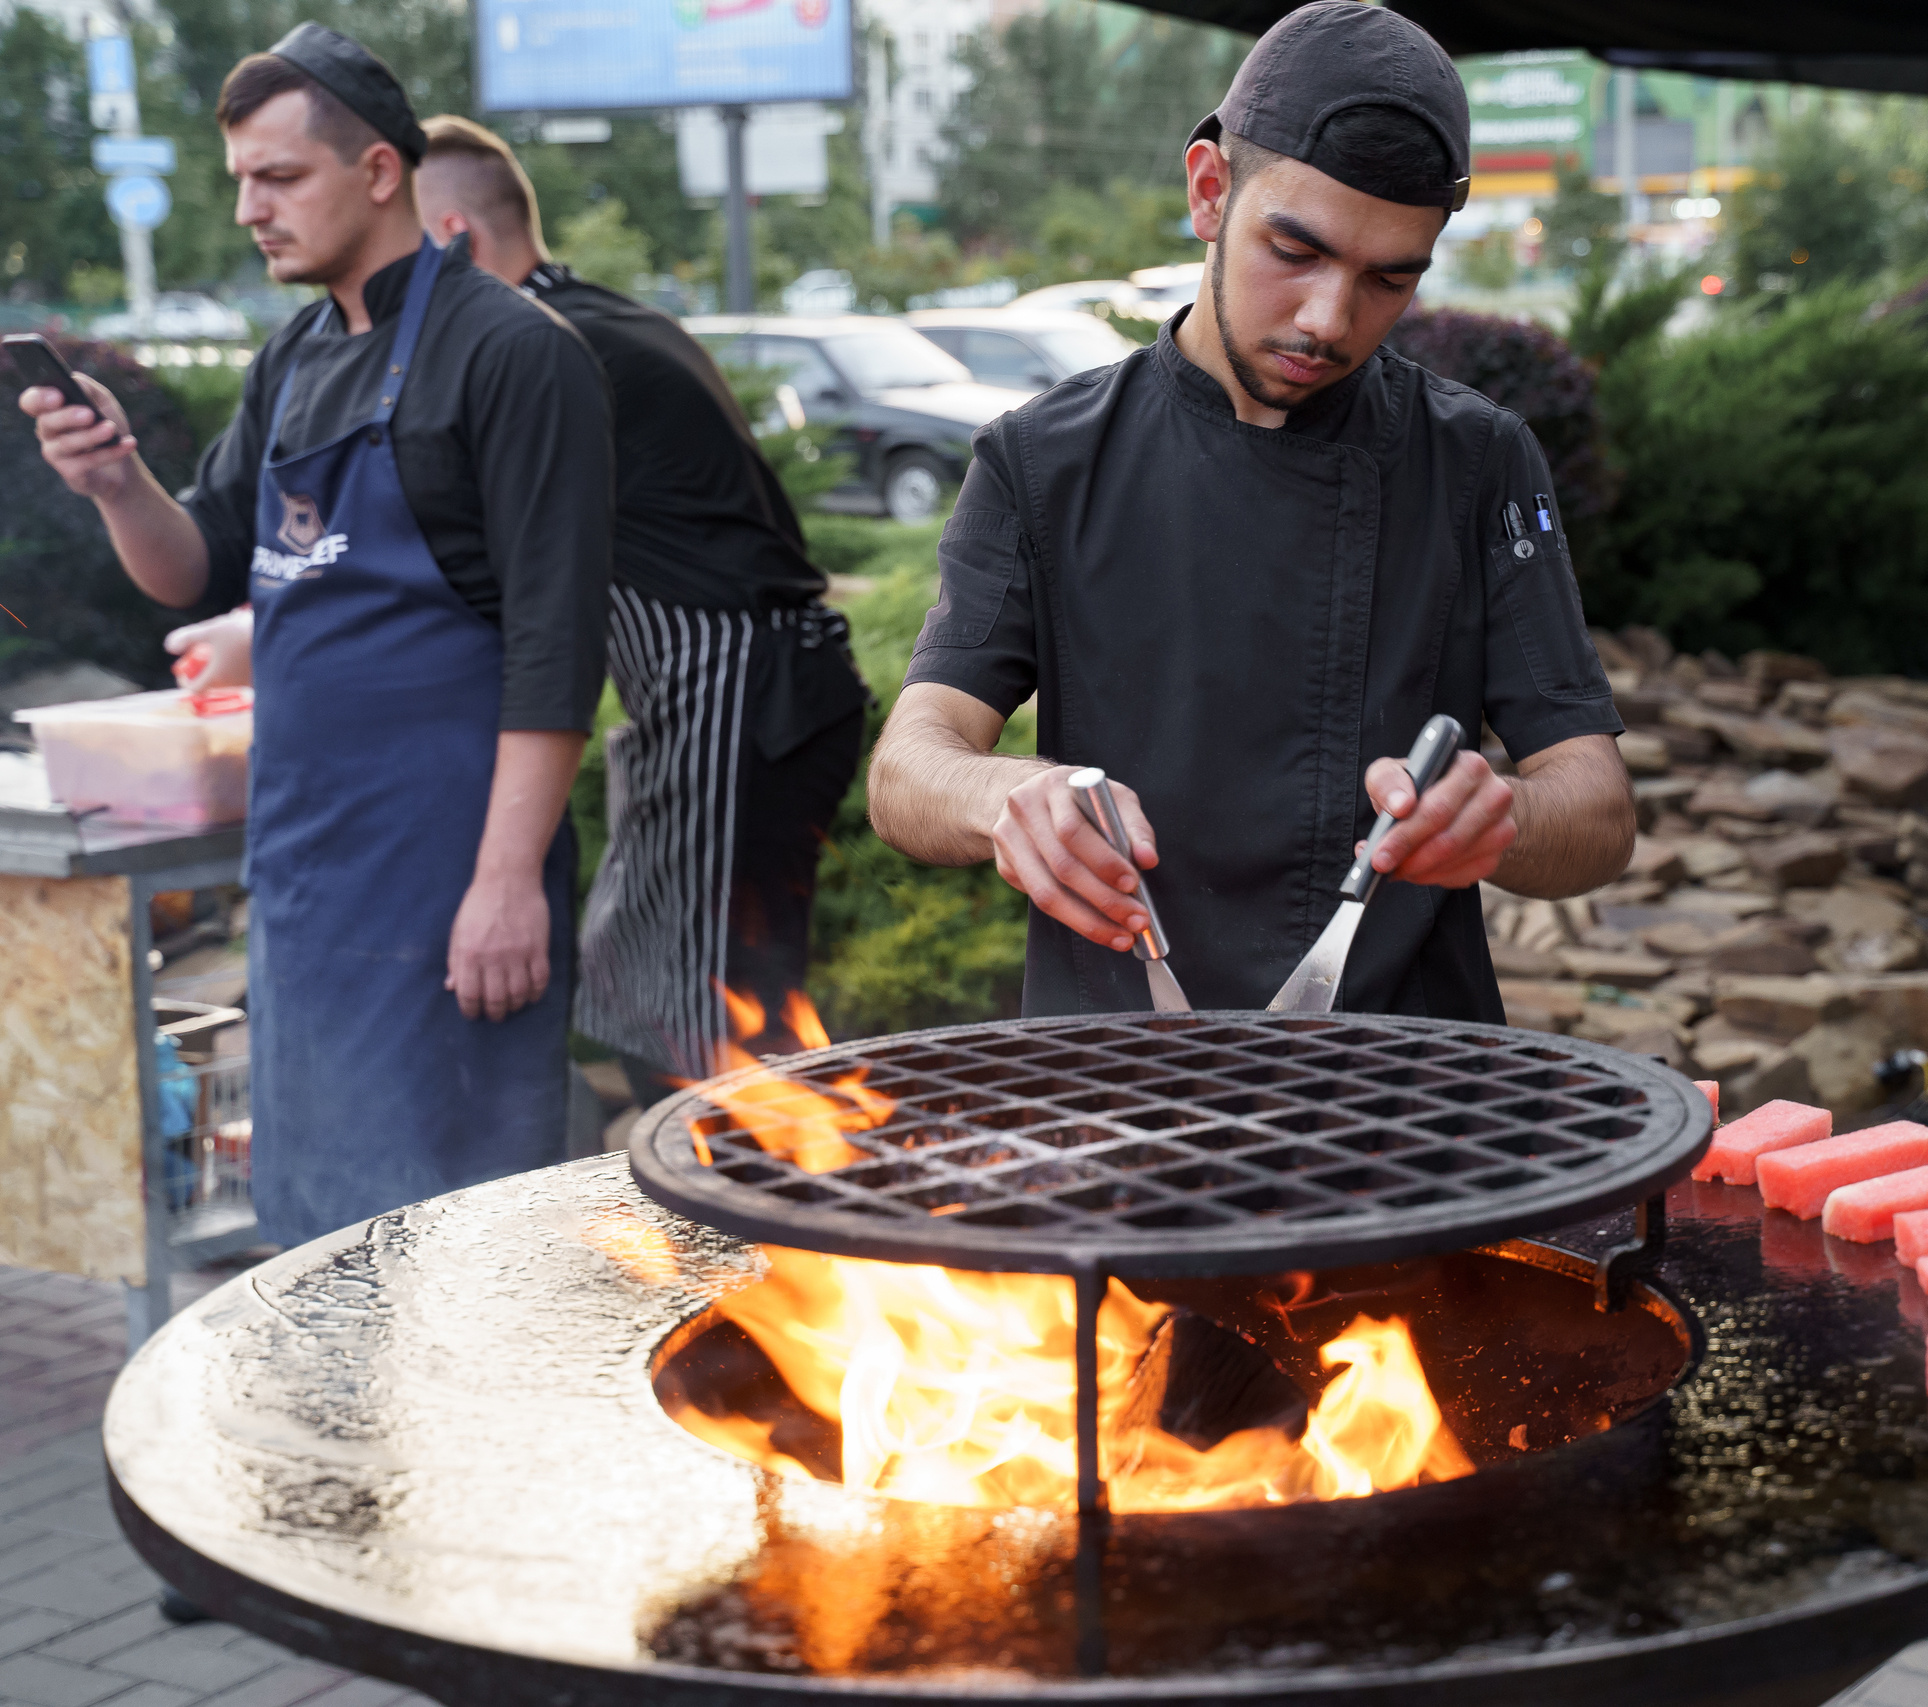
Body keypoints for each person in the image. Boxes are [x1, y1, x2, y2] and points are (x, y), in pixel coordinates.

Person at [865, 1, 1633, 1019]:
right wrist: (1007, 795)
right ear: (1209, 189)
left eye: (1387, 279)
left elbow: (1598, 810)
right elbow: (907, 769)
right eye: (1296, 250)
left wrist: (1504, 820)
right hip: (1122, 1080)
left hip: (1415, 1100)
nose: (1329, 319)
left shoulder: (1476, 458)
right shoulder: (1043, 460)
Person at [19, 25, 614, 1246]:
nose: (249, 209)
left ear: (381, 171)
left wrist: (505, 884)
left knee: (456, 1237)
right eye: (241, 179)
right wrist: (118, 483)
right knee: (318, 1234)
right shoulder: (292, 356)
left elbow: (557, 648)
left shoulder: (513, 354)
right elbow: (195, 572)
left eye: (278, 177)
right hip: (306, 876)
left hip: (449, 873)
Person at [413, 116, 870, 1098]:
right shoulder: (595, 319)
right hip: (742, 686)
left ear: (453, 238)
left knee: (691, 1017)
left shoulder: (554, 351)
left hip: (736, 687)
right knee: (669, 989)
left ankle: (759, 1232)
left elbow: (488, 562)